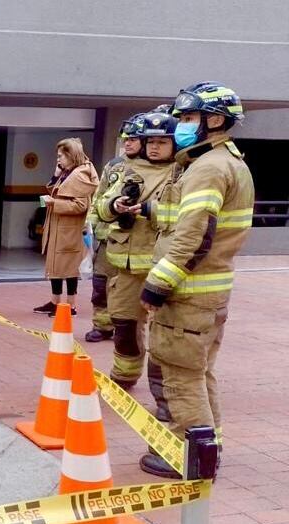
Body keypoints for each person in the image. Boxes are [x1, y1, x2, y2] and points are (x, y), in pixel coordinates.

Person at [134, 82, 254, 478]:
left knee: (181, 377)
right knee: (201, 373)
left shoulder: (208, 167)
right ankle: (209, 446)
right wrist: (146, 208)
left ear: (214, 120)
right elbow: (184, 218)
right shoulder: (222, 162)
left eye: (187, 118)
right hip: (210, 293)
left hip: (188, 294)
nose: (180, 126)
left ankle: (190, 459)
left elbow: (194, 232)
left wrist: (158, 283)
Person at [97, 111, 179, 421]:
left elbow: (183, 214)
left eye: (162, 142)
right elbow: (101, 205)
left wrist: (146, 208)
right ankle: (123, 374)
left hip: (162, 264)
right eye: (150, 142)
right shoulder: (124, 169)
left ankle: (163, 396)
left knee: (163, 334)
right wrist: (114, 206)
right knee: (124, 323)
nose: (155, 147)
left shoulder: (181, 172)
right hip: (125, 263)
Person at [84, 116, 146, 342]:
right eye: (125, 139)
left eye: (133, 139)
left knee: (124, 289)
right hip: (104, 236)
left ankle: (123, 325)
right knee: (100, 286)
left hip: (132, 240)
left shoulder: (150, 169)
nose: (127, 143)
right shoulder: (113, 165)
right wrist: (89, 225)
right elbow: (99, 196)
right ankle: (102, 326)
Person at [34, 138, 100, 316]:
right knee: (56, 266)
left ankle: (71, 305)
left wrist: (54, 204)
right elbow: (56, 190)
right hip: (59, 227)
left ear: (71, 156)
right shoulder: (68, 172)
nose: (58, 159)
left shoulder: (79, 175)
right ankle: (55, 301)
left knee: (69, 267)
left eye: (61, 156)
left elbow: (80, 205)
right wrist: (56, 175)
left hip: (69, 230)